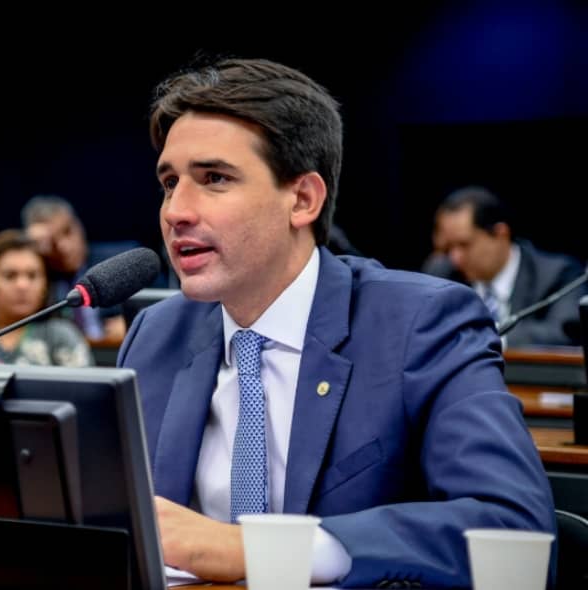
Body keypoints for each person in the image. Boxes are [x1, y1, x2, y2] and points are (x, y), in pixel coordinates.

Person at [117, 58, 555, 588]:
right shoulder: (156, 335)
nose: (176, 212)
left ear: (303, 199)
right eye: (169, 183)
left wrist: (254, 551)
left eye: (214, 179)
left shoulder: (420, 324)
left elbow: (513, 527)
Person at [428, 185, 586, 347]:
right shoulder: (442, 274)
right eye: (449, 247)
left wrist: (487, 338)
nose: (455, 257)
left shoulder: (558, 274)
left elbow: (565, 333)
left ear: (500, 234)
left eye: (464, 245)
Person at [0, 229, 93, 367]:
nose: (22, 286)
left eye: (32, 276)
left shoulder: (61, 335)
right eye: (10, 275)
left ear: (45, 286)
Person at [21, 195, 130, 341]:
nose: (64, 246)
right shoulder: (40, 276)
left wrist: (133, 322)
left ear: (79, 226)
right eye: (52, 241)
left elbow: (154, 303)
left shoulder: (121, 259)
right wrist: (30, 248)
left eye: (67, 231)